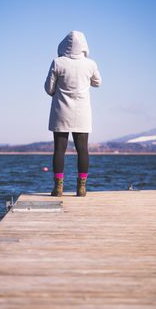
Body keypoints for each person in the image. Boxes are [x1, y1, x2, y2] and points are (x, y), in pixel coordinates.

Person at [44, 30, 102, 197]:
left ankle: (58, 188)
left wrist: (57, 90)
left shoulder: (58, 62)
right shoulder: (90, 64)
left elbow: (49, 88)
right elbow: (98, 83)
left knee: (59, 149)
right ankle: (82, 188)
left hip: (61, 111)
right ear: (84, 45)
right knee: (82, 149)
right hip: (83, 112)